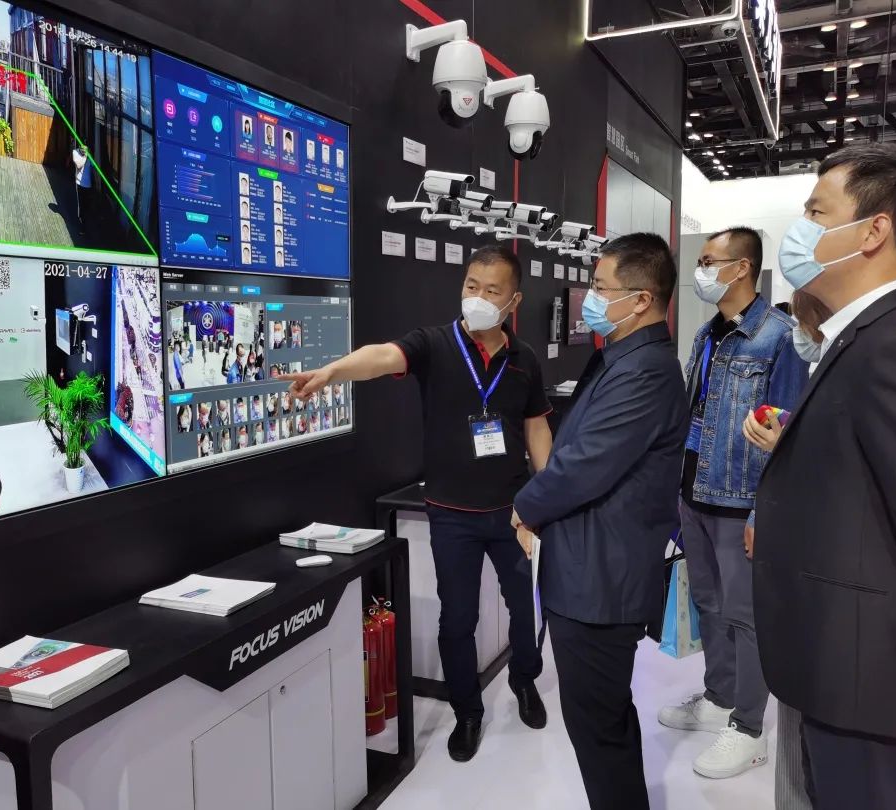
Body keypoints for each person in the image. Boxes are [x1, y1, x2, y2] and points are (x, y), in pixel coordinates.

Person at [281, 245, 553, 762]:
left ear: (513, 301)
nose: (477, 297)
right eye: (471, 286)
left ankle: (524, 679)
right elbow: (382, 357)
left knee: (525, 606)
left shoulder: (525, 361)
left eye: (492, 290)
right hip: (451, 514)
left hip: (513, 512)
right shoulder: (434, 344)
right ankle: (467, 712)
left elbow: (536, 427)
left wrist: (548, 496)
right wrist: (332, 372)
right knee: (458, 618)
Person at [753, 143, 896, 810]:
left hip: (873, 688)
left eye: (816, 212)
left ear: (873, 230)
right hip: (839, 671)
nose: (799, 230)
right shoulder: (867, 337)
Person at [511, 233, 687, 809]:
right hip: (589, 569)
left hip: (601, 584)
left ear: (641, 300)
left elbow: (585, 464)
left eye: (600, 287)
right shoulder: (621, 357)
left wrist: (526, 505)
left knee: (598, 726)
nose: (590, 297)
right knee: (601, 719)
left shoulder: (646, 371)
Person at [661, 227, 808, 779]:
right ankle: (719, 697)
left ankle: (748, 728)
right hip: (694, 492)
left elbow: (785, 437)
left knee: (746, 617)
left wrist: (760, 512)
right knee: (709, 603)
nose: (700, 271)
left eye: (709, 260)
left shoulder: (779, 338)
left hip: (739, 500)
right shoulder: (708, 334)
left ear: (742, 267)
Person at [740, 290, 831, 810]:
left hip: (831, 579)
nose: (796, 328)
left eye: (801, 318)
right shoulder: (822, 366)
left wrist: (787, 448)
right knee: (797, 744)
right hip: (802, 573)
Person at [72, 147, 93, 233]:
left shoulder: (90, 154)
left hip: (88, 184)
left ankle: (87, 223)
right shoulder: (75, 152)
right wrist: (85, 156)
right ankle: (82, 225)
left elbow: (93, 167)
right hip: (80, 183)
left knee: (87, 205)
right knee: (81, 205)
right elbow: (79, 165)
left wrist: (90, 156)